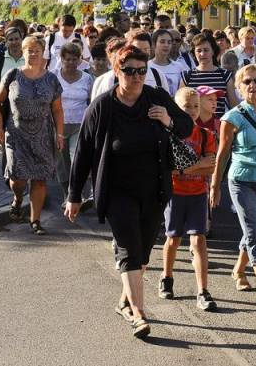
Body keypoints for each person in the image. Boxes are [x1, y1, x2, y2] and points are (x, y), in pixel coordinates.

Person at [65, 44, 194, 338]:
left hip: (153, 190)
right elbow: (83, 151)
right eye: (129, 71)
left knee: (143, 254)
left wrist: (168, 120)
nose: (136, 77)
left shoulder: (156, 98)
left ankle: (125, 301)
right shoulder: (102, 106)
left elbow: (186, 126)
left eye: (141, 71)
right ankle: (139, 314)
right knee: (128, 249)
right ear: (117, 71)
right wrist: (74, 195)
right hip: (117, 191)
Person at [211, 64, 256, 304]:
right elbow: (222, 154)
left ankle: (239, 270)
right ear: (239, 88)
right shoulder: (232, 117)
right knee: (254, 231)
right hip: (241, 181)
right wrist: (214, 186)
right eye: (247, 82)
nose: (252, 85)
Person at [0, 35, 65, 234]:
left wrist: (59, 135)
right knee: (18, 179)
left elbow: (57, 109)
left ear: (43, 53)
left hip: (43, 136)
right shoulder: (12, 74)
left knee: (40, 179)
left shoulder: (51, 79)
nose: (33, 54)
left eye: (37, 51)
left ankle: (35, 221)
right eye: (29, 50)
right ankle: (17, 198)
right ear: (23, 52)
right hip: (16, 135)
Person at [159, 87, 218, 311]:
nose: (192, 111)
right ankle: (166, 276)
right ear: (176, 109)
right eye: (186, 107)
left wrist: (184, 168)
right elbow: (168, 170)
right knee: (173, 239)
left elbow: (210, 167)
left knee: (198, 240)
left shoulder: (205, 135)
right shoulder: (169, 135)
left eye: (196, 106)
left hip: (198, 194)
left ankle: (203, 290)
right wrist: (196, 165)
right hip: (175, 194)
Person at [53, 41, 94, 206]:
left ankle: (78, 194)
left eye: (74, 59)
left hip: (80, 125)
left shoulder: (87, 78)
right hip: (58, 126)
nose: (71, 62)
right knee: (62, 164)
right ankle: (67, 194)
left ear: (79, 60)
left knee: (77, 158)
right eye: (67, 59)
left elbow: (92, 102)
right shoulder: (53, 76)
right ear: (61, 59)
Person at [92, 30, 167, 98]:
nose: (142, 53)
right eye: (137, 49)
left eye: (146, 49)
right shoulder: (108, 79)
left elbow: (167, 103)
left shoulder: (158, 76)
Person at [182, 34, 238, 119]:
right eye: (199, 50)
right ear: (194, 53)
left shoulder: (225, 75)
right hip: (193, 125)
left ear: (213, 51)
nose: (202, 54)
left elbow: (233, 105)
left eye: (206, 50)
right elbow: (181, 104)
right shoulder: (187, 76)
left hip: (218, 124)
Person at [0, 27, 26, 117]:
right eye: (11, 40)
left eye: (17, 39)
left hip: (25, 104)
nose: (14, 42)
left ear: (21, 39)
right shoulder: (0, 57)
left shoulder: (28, 57)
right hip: (3, 105)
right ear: (6, 42)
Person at [149, 29, 185, 95]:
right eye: (162, 42)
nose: (166, 45)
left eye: (169, 42)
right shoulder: (147, 66)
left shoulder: (179, 66)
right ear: (154, 44)